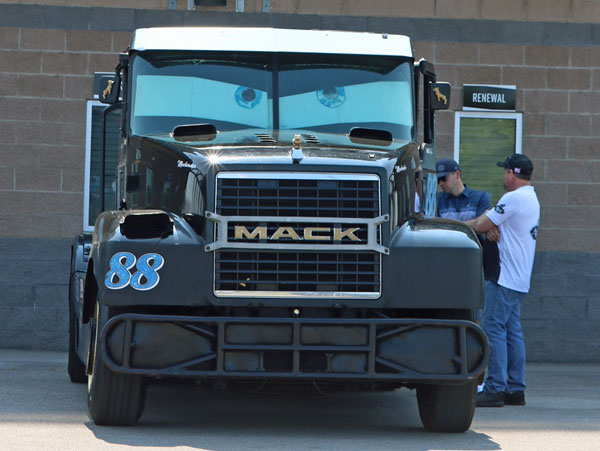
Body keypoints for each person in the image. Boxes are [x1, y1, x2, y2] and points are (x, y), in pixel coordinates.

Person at [464, 154, 540, 408]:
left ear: (511, 173)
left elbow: (482, 223)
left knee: (493, 329)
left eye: (505, 172)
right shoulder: (530, 197)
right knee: (511, 332)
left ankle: (495, 388)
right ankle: (515, 388)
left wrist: (474, 224)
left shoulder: (514, 198)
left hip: (504, 276)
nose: (503, 176)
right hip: (518, 278)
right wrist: (491, 225)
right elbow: (491, 224)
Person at [436, 158, 501, 286]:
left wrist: (448, 225)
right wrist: (473, 224)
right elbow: (435, 228)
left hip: (473, 260)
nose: (440, 183)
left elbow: (481, 226)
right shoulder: (437, 199)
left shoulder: (480, 197)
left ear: (457, 174)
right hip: (446, 259)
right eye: (438, 180)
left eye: (444, 178)